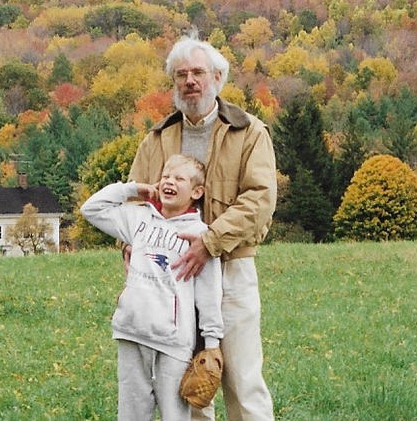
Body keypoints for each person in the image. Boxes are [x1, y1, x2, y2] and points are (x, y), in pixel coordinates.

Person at [128, 34, 277, 421]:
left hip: (229, 268)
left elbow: (259, 199)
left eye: (198, 72)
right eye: (181, 75)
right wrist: (129, 244)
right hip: (170, 278)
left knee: (242, 381)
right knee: (191, 386)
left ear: (217, 77)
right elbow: (135, 198)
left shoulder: (249, 132)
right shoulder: (157, 138)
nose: (190, 81)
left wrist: (209, 242)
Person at [80, 154, 224, 421]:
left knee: (175, 415)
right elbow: (91, 209)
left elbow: (209, 293)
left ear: (196, 191)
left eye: (179, 178)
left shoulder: (200, 235)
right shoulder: (138, 218)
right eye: (166, 176)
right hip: (132, 331)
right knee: (132, 413)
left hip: (173, 342)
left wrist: (212, 342)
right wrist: (133, 189)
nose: (169, 181)